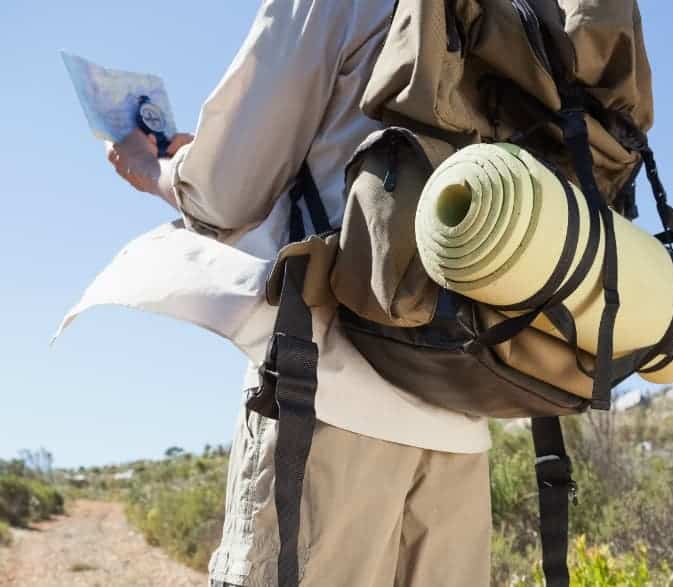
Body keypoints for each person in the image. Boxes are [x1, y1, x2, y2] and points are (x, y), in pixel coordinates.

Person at [105, 1, 493, 585]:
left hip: (330, 393)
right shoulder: (509, 11)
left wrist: (154, 168)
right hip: (466, 411)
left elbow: (223, 190)